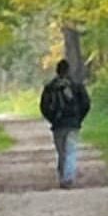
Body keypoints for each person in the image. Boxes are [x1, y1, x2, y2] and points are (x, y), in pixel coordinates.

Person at [39, 59, 91, 188]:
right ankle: (68, 178)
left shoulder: (50, 87)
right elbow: (86, 104)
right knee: (71, 151)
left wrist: (52, 119)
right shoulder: (76, 86)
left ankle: (63, 176)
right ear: (68, 71)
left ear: (57, 71)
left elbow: (43, 106)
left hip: (58, 125)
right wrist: (79, 118)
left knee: (61, 152)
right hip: (73, 123)